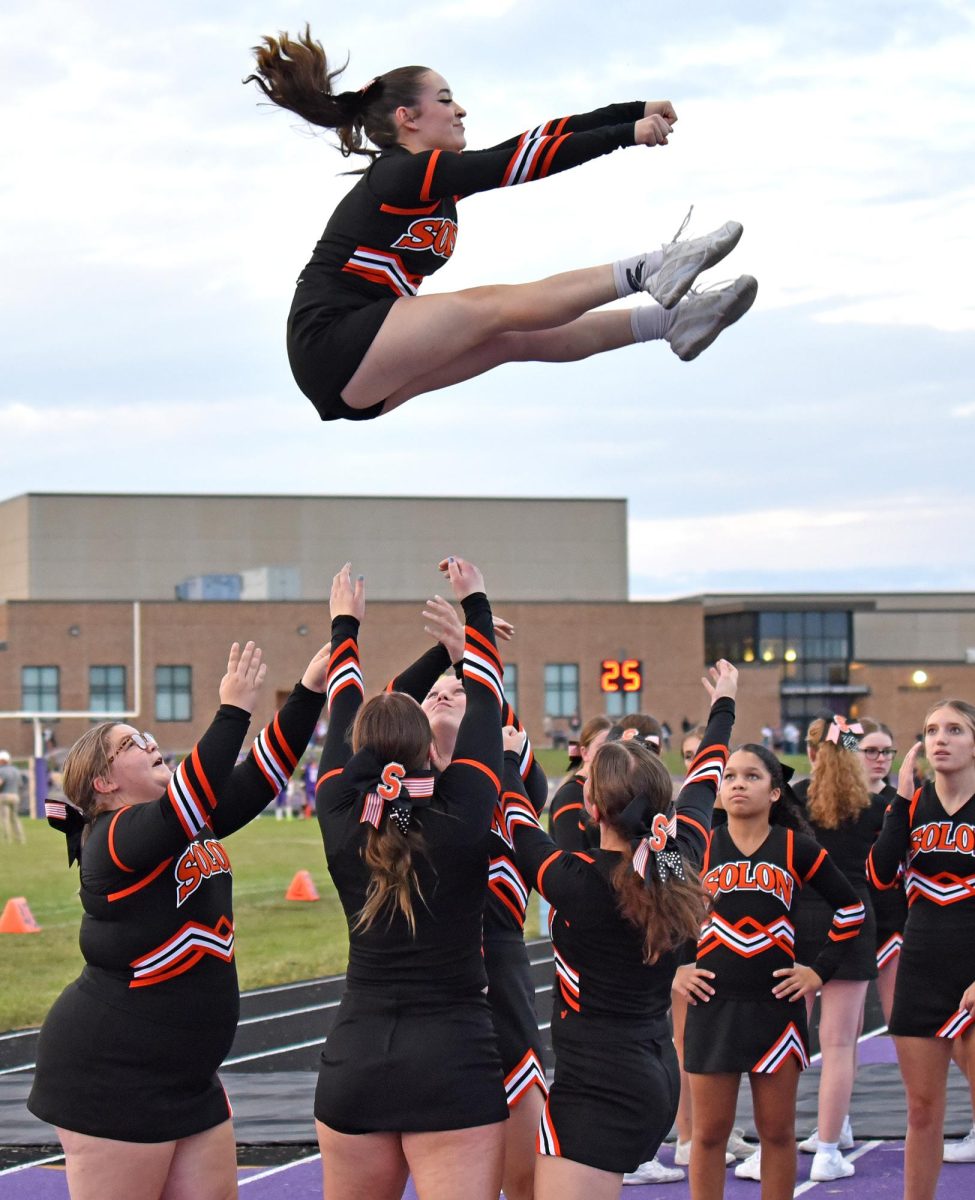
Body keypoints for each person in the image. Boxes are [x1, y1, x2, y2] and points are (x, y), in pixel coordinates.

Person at [244, 29, 757, 424]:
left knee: (511, 336)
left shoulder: (433, 182)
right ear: (408, 118)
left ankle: (672, 323)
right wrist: (626, 134)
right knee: (489, 305)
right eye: (445, 99)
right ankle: (654, 268)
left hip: (358, 380)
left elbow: (528, 145)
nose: (460, 108)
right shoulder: (401, 173)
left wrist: (629, 112)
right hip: (331, 340)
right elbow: (516, 166)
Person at [27, 639, 329, 1200]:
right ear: (104, 783)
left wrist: (310, 689)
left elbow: (266, 771)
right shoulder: (112, 839)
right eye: (131, 744)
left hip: (188, 1076)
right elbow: (191, 796)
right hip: (112, 1073)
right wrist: (233, 707)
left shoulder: (187, 821)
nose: (150, 742)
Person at [499, 660, 738, 1200]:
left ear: (589, 807)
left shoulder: (580, 881)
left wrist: (510, 759)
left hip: (596, 1085)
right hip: (656, 1075)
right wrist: (723, 707)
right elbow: (707, 775)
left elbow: (515, 820)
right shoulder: (678, 860)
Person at [313, 558, 508, 1200]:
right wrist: (473, 611)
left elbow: (345, 701)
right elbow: (487, 701)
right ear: (430, 747)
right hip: (453, 1056)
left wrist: (346, 623)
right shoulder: (465, 807)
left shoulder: (339, 807)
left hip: (355, 1055)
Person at [383, 593, 549, 1200]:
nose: (443, 692)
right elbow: (385, 703)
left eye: (457, 689)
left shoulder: (513, 779)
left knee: (523, 1181)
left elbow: (496, 709)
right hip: (422, 997)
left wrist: (472, 644)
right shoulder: (396, 796)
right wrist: (445, 655)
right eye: (433, 694)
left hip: (502, 989)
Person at [677, 745, 863, 1199]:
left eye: (752, 776)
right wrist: (676, 967)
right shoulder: (698, 845)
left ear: (776, 791)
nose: (738, 783)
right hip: (712, 1005)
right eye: (730, 777)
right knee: (708, 1135)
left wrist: (818, 972)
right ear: (718, 791)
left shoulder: (797, 847)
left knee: (777, 1133)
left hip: (776, 1008)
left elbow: (851, 909)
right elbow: (659, 912)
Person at [868, 700, 975, 1200]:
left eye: (955, 729)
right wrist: (899, 804)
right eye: (933, 730)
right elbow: (880, 876)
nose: (941, 738)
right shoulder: (911, 806)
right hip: (922, 968)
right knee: (921, 1111)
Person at [790, 715, 880, 1180]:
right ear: (855, 753)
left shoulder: (791, 799)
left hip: (799, 918)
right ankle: (827, 1147)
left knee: (785, 1041)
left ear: (810, 752)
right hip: (852, 916)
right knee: (841, 1043)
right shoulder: (876, 805)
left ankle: (775, 1145)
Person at [548, 716, 612, 851]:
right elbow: (571, 856)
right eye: (602, 747)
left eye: (613, 747)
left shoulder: (607, 791)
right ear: (585, 753)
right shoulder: (571, 795)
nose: (609, 754)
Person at [0, 750, 26, 844]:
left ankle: (7, 840)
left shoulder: (1, 770)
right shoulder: (15, 770)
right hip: (15, 796)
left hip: (4, 796)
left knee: (5, 818)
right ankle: (20, 839)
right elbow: (20, 784)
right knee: (15, 818)